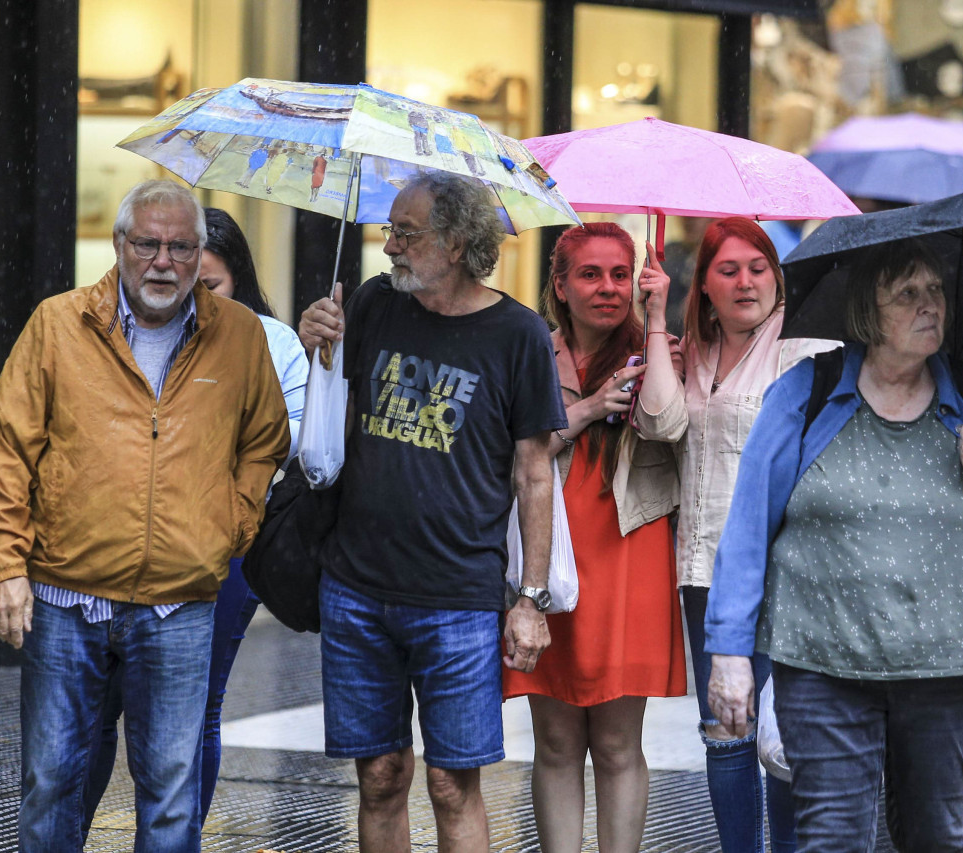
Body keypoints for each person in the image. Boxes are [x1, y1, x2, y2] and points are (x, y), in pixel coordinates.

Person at [0, 180, 290, 852]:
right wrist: (4, 566)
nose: (163, 261)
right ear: (120, 246)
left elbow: (265, 438)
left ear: (200, 253)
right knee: (52, 780)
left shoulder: (238, 336)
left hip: (180, 603)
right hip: (63, 595)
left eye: (180, 246)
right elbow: (5, 446)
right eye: (147, 243)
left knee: (172, 795)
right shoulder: (57, 324)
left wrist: (228, 527)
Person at [706, 239, 963, 853]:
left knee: (935, 838)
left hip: (947, 668)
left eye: (937, 291)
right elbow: (747, 528)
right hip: (822, 663)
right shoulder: (807, 394)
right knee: (832, 839)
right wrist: (730, 654)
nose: (930, 307)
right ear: (869, 312)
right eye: (908, 294)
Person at [297, 172, 565, 853]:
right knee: (381, 774)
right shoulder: (373, 304)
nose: (389, 246)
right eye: (389, 230)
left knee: (452, 784)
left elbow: (535, 474)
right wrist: (316, 347)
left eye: (406, 234)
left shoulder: (520, 334)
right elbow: (329, 420)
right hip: (356, 585)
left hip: (460, 596)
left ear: (457, 242)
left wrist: (529, 599)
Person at [80, 207, 310, 828]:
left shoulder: (271, 340)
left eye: (212, 286)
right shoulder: (128, 329)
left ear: (238, 280)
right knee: (101, 706)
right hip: (122, 535)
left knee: (195, 707)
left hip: (226, 544)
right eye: (186, 278)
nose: (194, 295)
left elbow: (291, 441)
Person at [639, 217, 835, 853]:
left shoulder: (805, 350)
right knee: (723, 727)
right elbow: (659, 425)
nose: (745, 281)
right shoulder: (688, 349)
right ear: (705, 285)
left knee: (777, 733)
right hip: (701, 570)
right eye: (728, 269)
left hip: (782, 569)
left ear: (777, 279)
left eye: (758, 268)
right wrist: (656, 321)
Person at [501, 222, 687, 853]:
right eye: (589, 274)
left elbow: (665, 424)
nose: (607, 288)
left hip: (627, 556)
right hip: (546, 558)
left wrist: (658, 320)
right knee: (554, 741)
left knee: (615, 742)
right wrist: (588, 406)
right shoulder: (529, 352)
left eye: (619, 275)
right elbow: (509, 455)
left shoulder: (660, 351)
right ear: (560, 284)